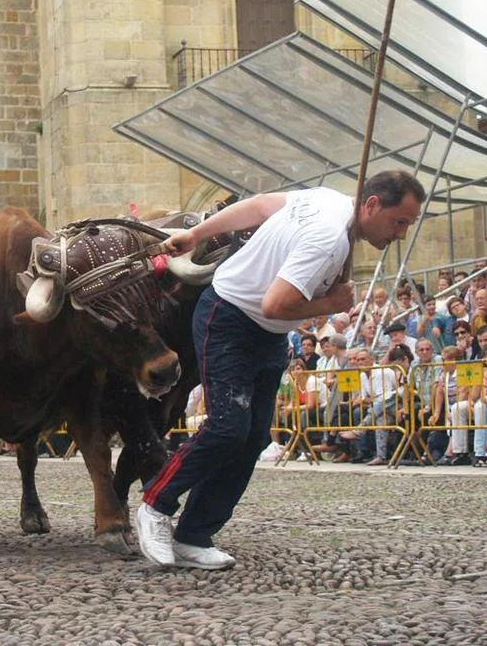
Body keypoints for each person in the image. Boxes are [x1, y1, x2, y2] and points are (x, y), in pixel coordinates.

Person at [135, 170, 424, 569]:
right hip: (229, 318)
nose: (400, 235)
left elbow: (259, 206)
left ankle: (194, 534)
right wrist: (332, 304)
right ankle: (155, 504)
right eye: (399, 222)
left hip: (268, 335)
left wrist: (198, 233)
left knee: (254, 436)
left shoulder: (328, 198)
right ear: (372, 204)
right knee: (227, 427)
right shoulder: (328, 239)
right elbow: (275, 303)